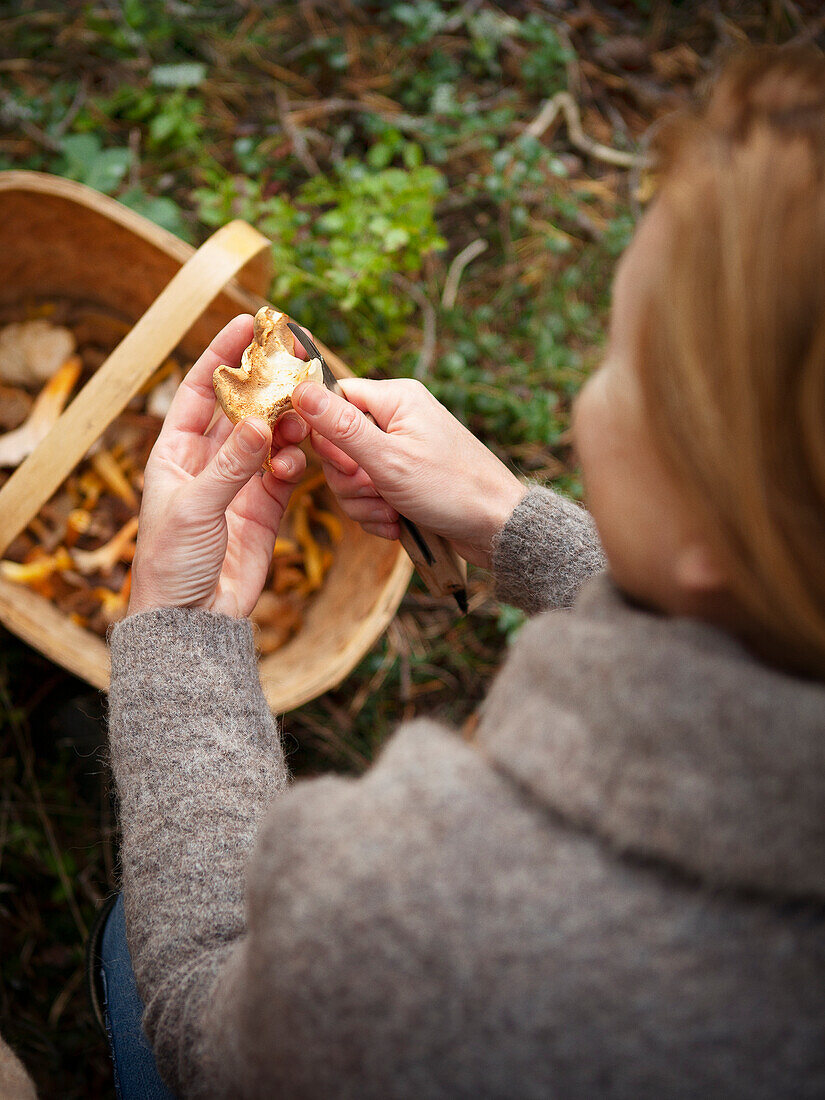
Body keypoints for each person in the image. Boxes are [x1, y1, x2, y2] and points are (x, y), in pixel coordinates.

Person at [102, 48, 825, 1098]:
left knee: (138, 929)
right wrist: (509, 520)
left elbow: (207, 1017)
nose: (591, 391)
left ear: (720, 517)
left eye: (620, 356)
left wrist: (176, 633)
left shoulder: (438, 914)